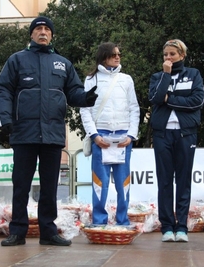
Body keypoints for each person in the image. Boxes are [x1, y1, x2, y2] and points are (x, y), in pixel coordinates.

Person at [0, 16, 98, 246]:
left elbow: (74, 92)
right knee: (21, 185)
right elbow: (3, 89)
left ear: (51, 35)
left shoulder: (63, 63)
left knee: (50, 186)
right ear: (31, 34)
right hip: (24, 132)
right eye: (38, 29)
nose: (43, 32)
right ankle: (18, 232)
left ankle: (49, 232)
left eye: (46, 29)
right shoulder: (17, 60)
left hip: (52, 134)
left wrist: (86, 98)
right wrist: (6, 120)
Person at [148, 39, 204, 242]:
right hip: (162, 134)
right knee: (164, 182)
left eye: (172, 54)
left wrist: (170, 99)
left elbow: (197, 101)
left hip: (186, 134)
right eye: (165, 55)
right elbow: (155, 98)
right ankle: (167, 228)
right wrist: (165, 75)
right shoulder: (158, 76)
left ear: (182, 55)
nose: (168, 58)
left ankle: (181, 227)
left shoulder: (193, 74)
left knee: (183, 181)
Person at [80, 42, 140, 226]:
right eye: (113, 54)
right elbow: (85, 110)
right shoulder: (91, 80)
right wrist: (94, 135)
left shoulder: (126, 79)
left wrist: (130, 135)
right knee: (100, 183)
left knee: (124, 183)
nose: (118, 57)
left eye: (119, 54)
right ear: (104, 56)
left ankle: (123, 220)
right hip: (101, 137)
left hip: (123, 137)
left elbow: (134, 108)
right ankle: (99, 221)